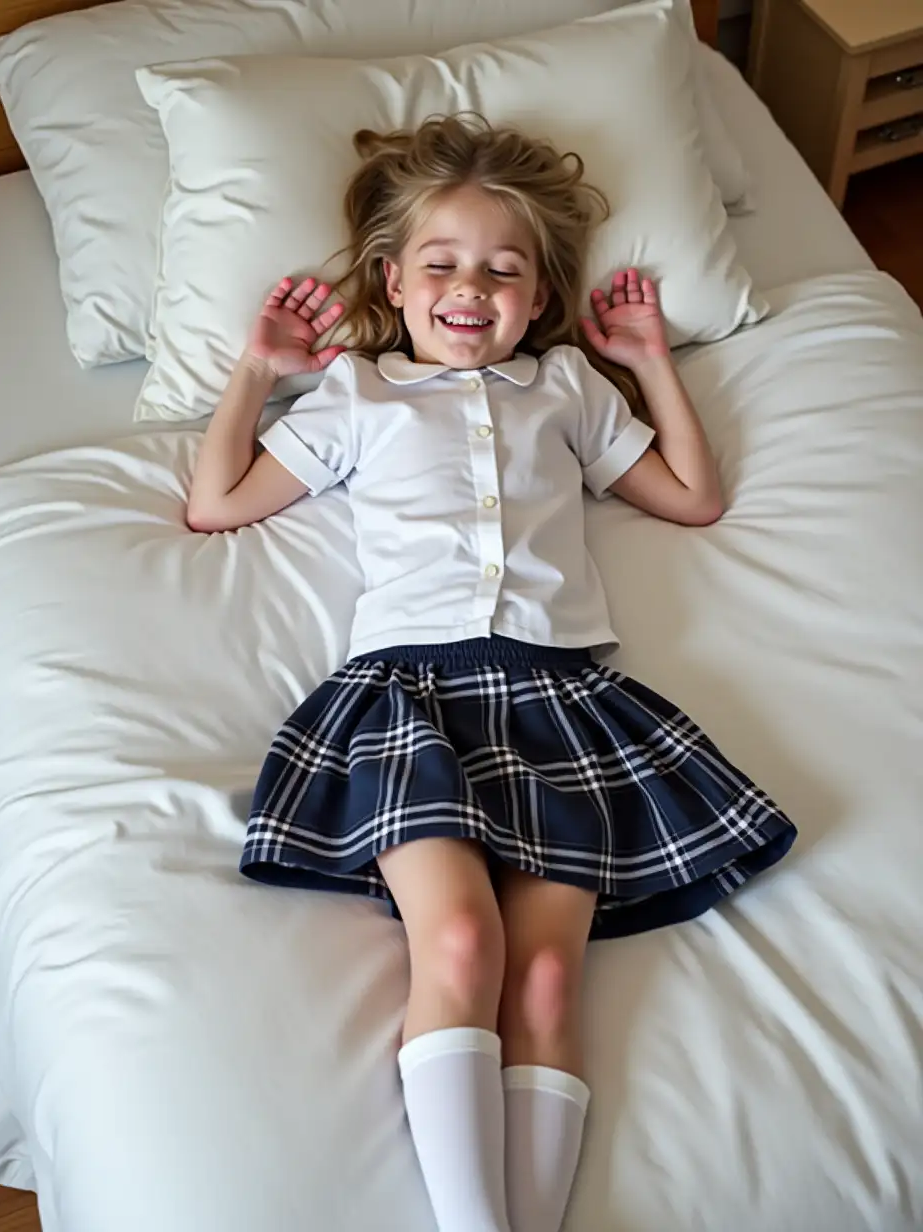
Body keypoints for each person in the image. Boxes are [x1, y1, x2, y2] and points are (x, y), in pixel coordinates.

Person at [187, 115, 796, 1232]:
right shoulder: (358, 396)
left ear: (539, 296)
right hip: (408, 696)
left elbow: (690, 497)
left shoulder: (564, 386)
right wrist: (254, 371)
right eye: (443, 264)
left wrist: (651, 361)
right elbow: (217, 503)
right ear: (393, 279)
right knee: (460, 939)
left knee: (550, 980)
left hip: (559, 698)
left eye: (504, 270)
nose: (472, 287)